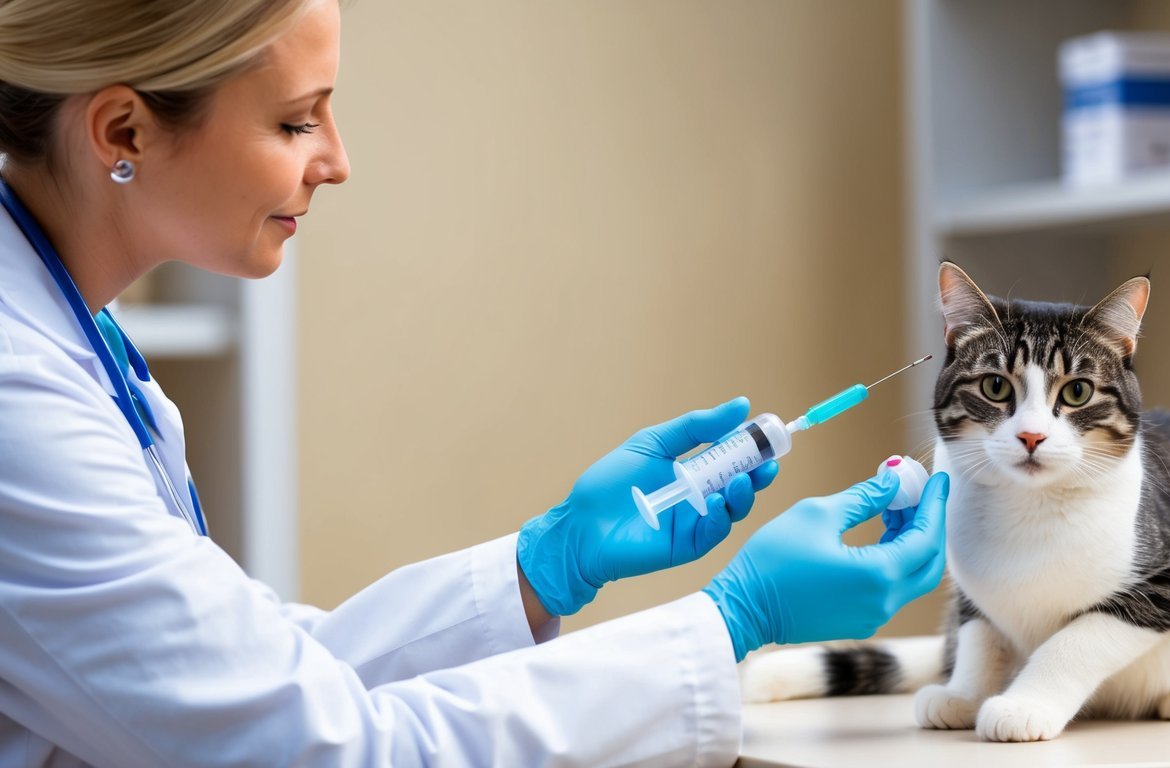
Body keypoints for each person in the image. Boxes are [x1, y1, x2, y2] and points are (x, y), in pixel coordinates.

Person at [0, 0, 950, 765]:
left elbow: (260, 686)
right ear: (123, 128)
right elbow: (313, 750)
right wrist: (732, 619)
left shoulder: (81, 338)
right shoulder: (20, 397)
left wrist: (540, 567)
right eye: (296, 120)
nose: (336, 161)